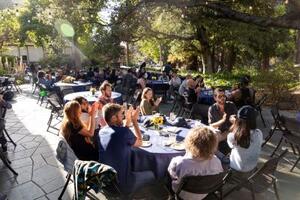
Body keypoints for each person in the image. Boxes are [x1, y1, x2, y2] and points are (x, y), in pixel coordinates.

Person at [98, 103, 155, 194]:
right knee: (152, 174)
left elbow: (120, 135)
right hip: (122, 185)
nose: (123, 117)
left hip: (105, 183)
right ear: (113, 118)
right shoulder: (124, 133)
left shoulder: (101, 131)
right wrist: (134, 121)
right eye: (121, 115)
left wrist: (127, 123)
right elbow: (140, 142)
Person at [168, 127, 223, 200]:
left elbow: (172, 175)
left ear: (189, 142)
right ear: (213, 145)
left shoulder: (179, 161)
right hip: (204, 193)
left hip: (182, 194)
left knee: (166, 177)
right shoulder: (216, 161)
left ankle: (170, 196)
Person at [227, 105, 263, 172]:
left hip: (236, 169)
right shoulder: (259, 133)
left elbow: (230, 145)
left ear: (238, 119)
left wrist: (235, 124)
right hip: (252, 167)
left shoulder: (233, 136)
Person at [208, 88, 237, 154]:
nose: (223, 98)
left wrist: (234, 121)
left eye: (224, 96)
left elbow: (238, 122)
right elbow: (211, 125)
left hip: (231, 131)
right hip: (219, 132)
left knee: (215, 141)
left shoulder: (231, 105)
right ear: (215, 98)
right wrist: (222, 120)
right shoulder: (212, 108)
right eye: (220, 96)